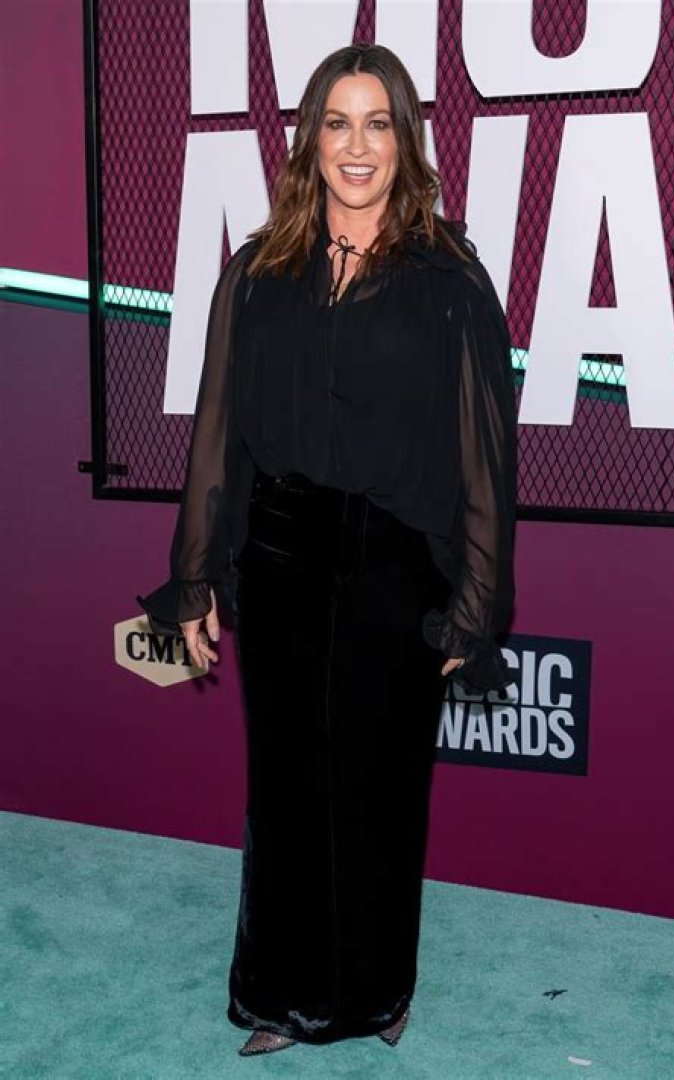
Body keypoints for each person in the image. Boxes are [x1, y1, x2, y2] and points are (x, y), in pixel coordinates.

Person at [138, 42, 516, 1056]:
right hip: (281, 560)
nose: (358, 146)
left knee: (382, 789)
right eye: (338, 124)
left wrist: (476, 604)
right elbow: (218, 433)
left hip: (398, 568)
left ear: (406, 142)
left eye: (378, 124)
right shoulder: (259, 272)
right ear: (310, 141)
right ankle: (280, 996)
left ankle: (377, 996)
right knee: (287, 786)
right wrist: (195, 579)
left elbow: (484, 452)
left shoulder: (448, 278)